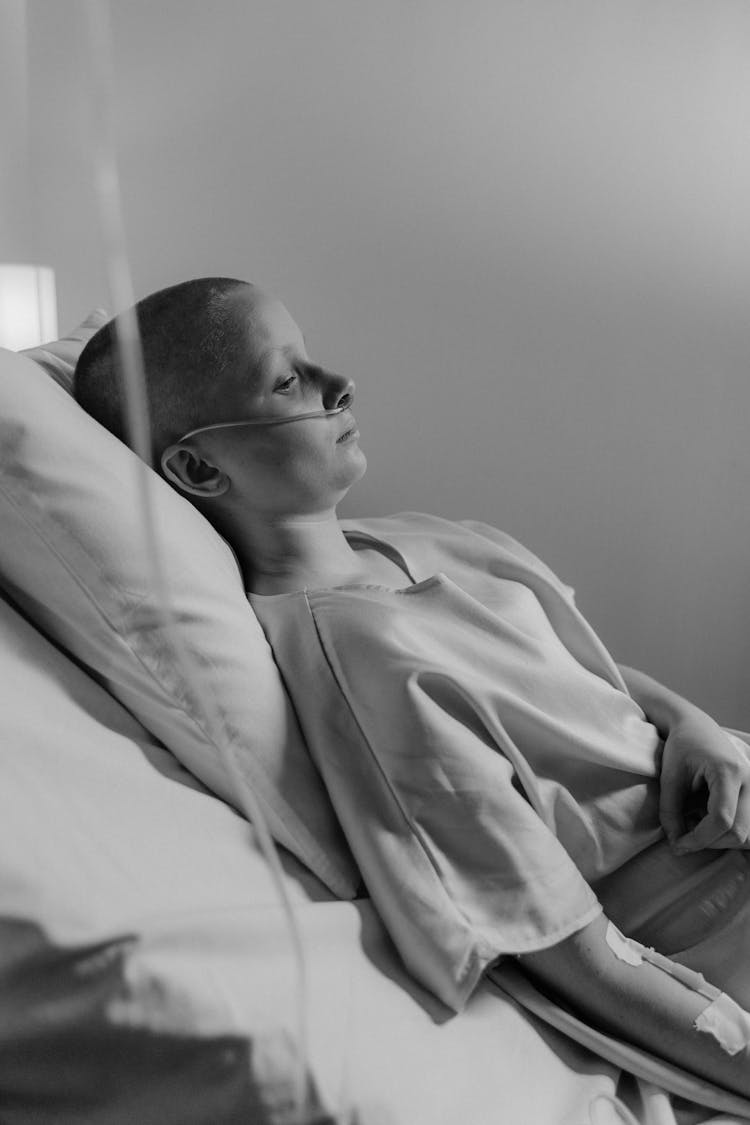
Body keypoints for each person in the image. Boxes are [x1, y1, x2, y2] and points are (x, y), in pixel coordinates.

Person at [74, 277, 750, 1098]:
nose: (338, 382)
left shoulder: (420, 538)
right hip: (715, 902)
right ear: (196, 465)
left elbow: (583, 672)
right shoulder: (360, 658)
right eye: (287, 381)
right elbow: (558, 936)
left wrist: (693, 724)